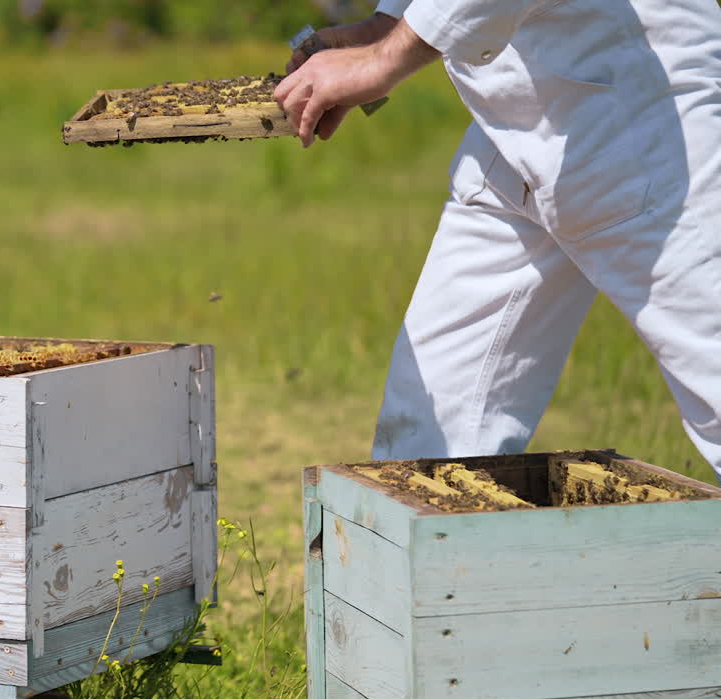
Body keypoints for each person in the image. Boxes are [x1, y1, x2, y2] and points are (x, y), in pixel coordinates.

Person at [274, 1, 721, 481]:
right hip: (511, 124)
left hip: (639, 110)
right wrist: (388, 23)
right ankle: (435, 555)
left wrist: (383, 58)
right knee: (431, 434)